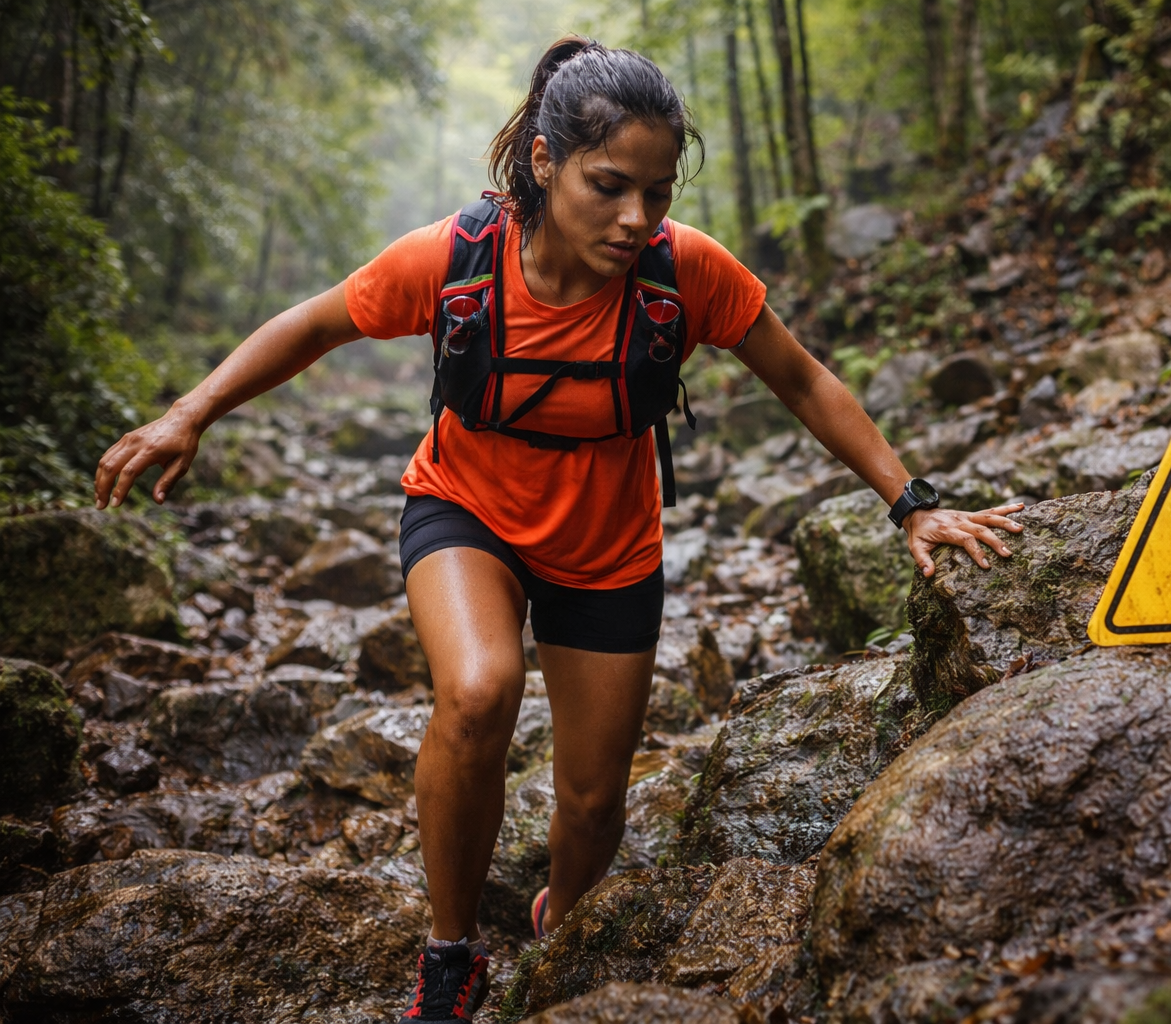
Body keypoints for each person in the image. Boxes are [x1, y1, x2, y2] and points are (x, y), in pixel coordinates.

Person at [93, 36, 1026, 1024]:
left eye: (657, 193)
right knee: (479, 690)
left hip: (608, 548)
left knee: (590, 802)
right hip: (466, 511)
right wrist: (188, 410)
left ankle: (563, 933)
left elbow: (800, 377)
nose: (636, 219)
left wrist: (912, 500)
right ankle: (450, 956)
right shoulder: (456, 264)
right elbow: (318, 322)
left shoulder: (682, 273)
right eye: (610, 186)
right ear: (544, 162)